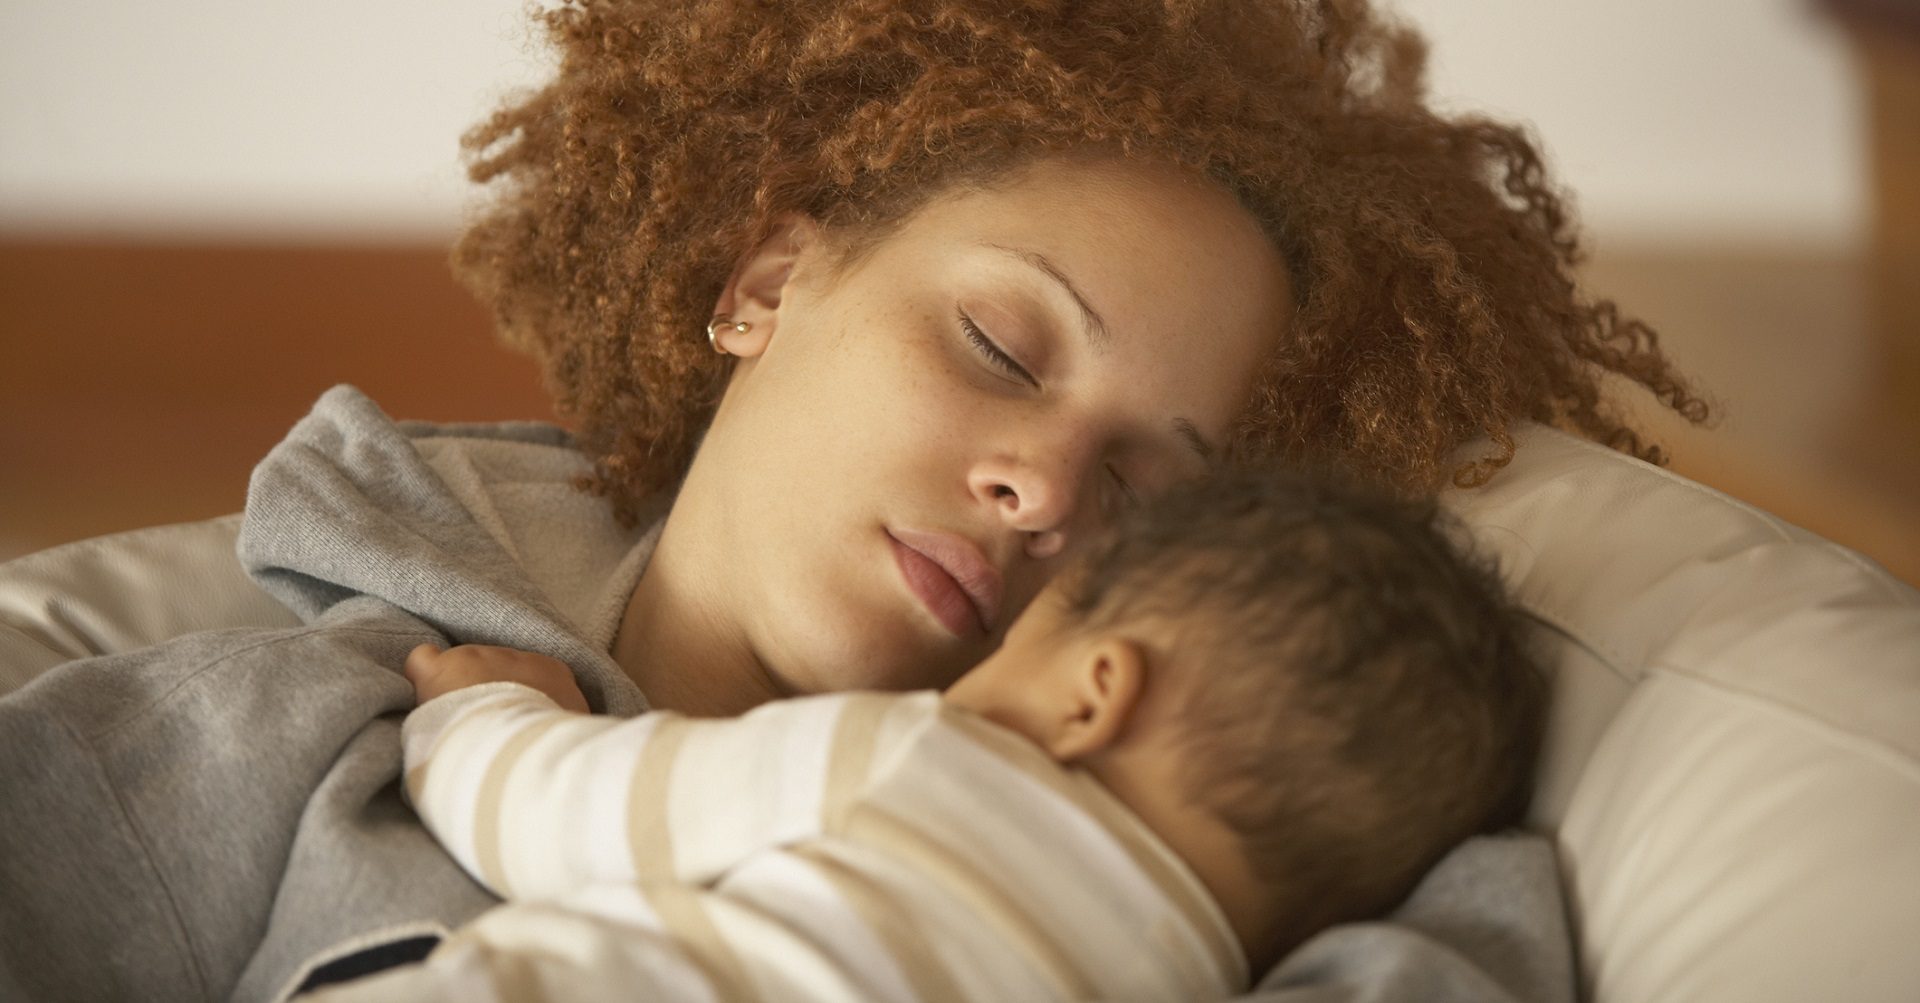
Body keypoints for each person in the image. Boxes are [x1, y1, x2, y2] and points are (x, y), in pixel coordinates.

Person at [0, 0, 1693, 1000]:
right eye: (1002, 346)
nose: (1042, 489)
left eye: (1143, 490)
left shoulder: (1277, 872)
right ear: (764, 282)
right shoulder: (284, 741)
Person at [307, 467, 1544, 1002]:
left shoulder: (918, 759)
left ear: (1093, 689)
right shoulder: (1200, 982)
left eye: (1030, 633)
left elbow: (565, 816)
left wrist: (478, 711)